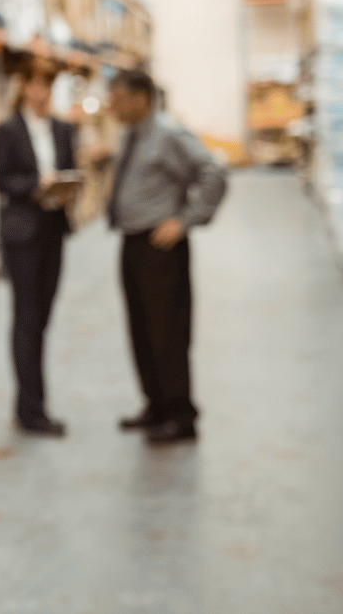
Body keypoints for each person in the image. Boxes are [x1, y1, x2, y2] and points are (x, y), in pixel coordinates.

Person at [106, 69, 226, 445]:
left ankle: (180, 415)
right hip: (133, 243)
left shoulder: (168, 134)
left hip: (161, 246)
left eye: (119, 98)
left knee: (167, 332)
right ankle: (155, 404)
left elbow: (213, 172)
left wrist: (186, 220)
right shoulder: (132, 135)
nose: (112, 106)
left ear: (143, 98)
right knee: (141, 328)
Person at [0, 59, 78, 437]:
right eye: (35, 84)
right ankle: (33, 410)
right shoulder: (9, 130)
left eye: (47, 85)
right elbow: (2, 180)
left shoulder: (62, 129)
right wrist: (34, 184)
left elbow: (72, 168)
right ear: (24, 87)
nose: (41, 92)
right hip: (23, 232)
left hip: (53, 229)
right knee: (27, 320)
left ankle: (26, 404)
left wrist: (65, 185)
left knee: (42, 318)